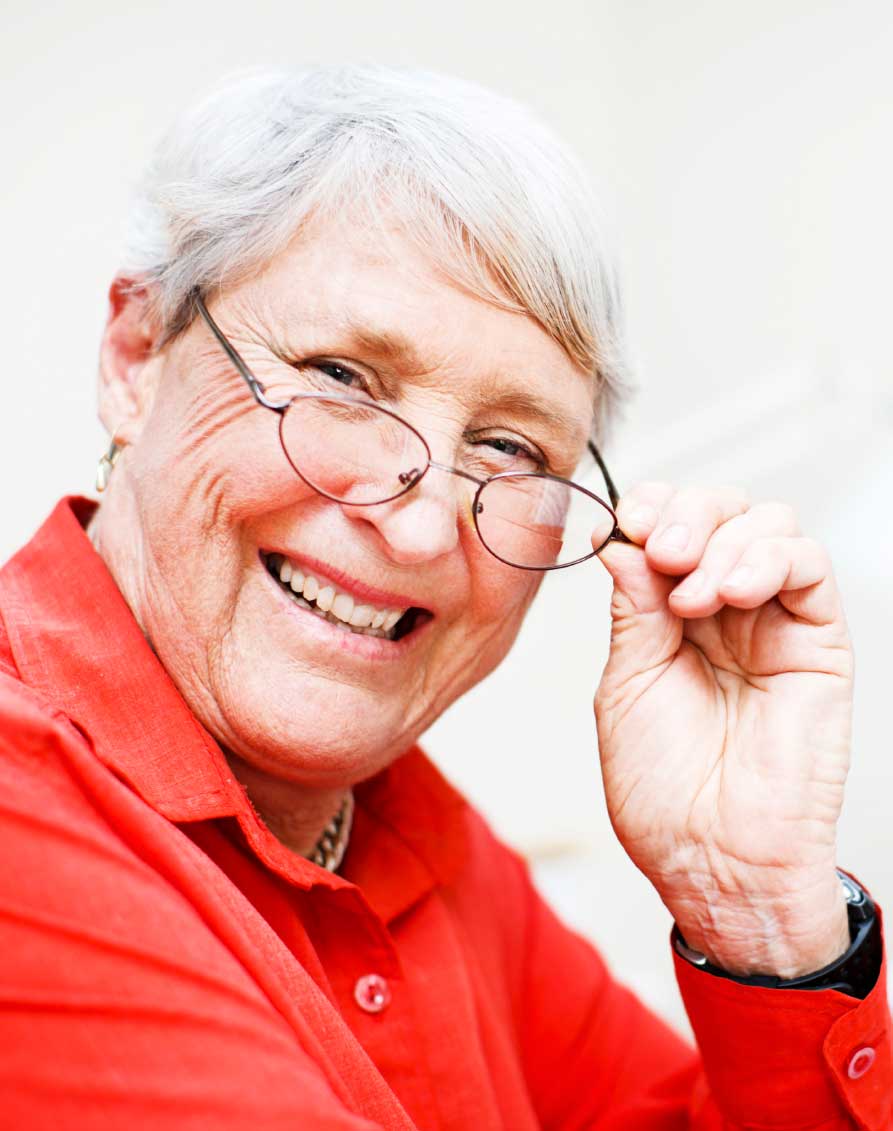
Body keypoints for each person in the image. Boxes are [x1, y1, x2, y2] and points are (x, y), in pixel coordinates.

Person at [0, 65, 889, 1130]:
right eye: (340, 377)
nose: (420, 526)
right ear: (137, 355)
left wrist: (756, 911)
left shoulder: (418, 839)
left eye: (509, 448)